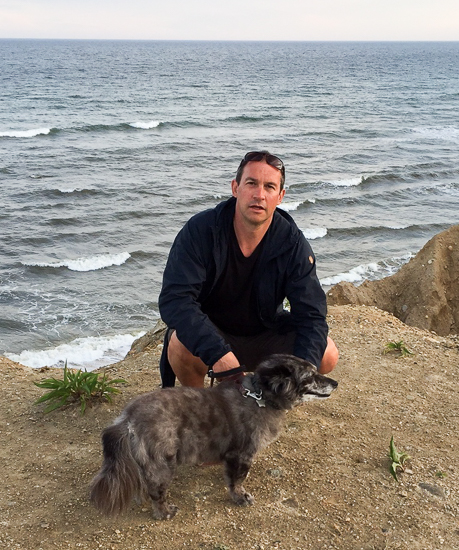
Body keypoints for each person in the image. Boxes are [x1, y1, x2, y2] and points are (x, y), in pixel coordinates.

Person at [158, 151, 338, 388]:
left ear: (280, 196)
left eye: (269, 187)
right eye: (251, 183)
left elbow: (311, 315)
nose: (259, 195)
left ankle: (275, 397)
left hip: (266, 333)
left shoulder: (292, 243)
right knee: (180, 345)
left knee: (326, 354)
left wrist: (299, 375)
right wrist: (219, 355)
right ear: (236, 188)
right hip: (213, 332)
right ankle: (201, 407)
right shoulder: (200, 231)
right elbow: (175, 300)